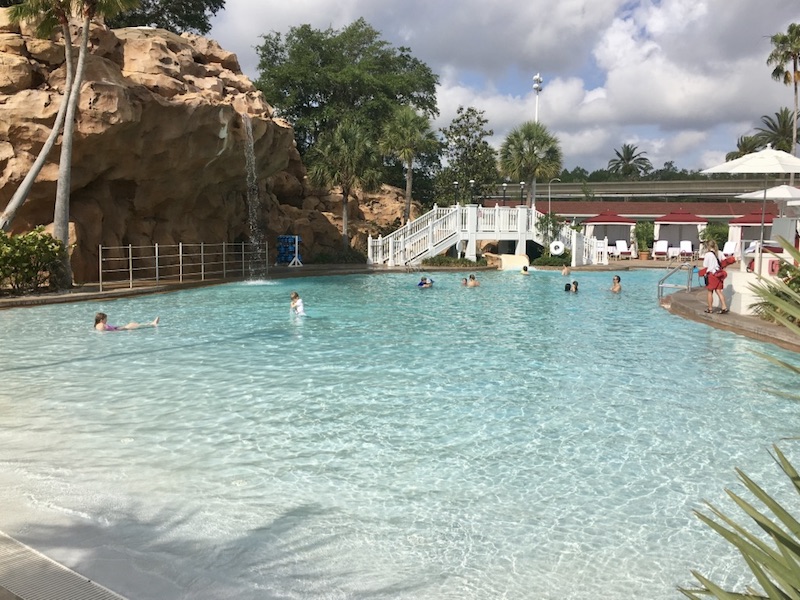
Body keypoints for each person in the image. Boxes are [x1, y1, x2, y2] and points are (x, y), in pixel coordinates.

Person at [702, 239, 729, 314]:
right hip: (719, 274)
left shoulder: (708, 255)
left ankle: (710, 308)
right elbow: (725, 262)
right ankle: (724, 307)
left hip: (712, 275)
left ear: (708, 246)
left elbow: (705, 266)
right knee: (719, 291)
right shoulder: (720, 253)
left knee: (710, 291)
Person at [94, 312, 159, 331]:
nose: (107, 320)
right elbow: (103, 331)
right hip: (118, 329)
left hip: (118, 328)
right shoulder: (100, 325)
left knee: (133, 324)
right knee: (133, 325)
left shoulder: (98, 325)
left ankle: (151, 324)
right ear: (101, 320)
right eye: (105, 319)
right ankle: (152, 324)